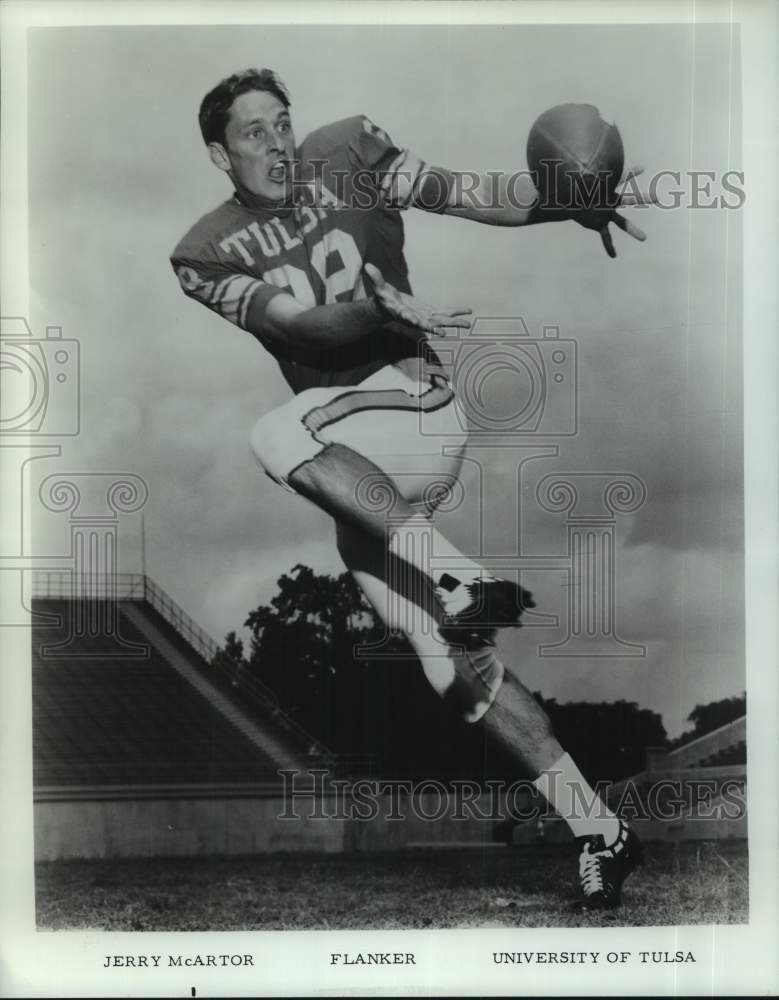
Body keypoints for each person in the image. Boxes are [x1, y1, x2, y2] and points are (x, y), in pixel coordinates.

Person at [171, 68, 652, 910]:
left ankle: (458, 575)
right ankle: (600, 830)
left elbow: (466, 193)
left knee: (275, 432)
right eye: (254, 133)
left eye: (283, 123)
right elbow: (297, 326)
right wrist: (376, 310)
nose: (279, 143)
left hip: (410, 402)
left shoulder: (349, 148)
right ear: (219, 153)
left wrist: (562, 203)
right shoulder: (203, 249)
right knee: (455, 675)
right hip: (361, 463)